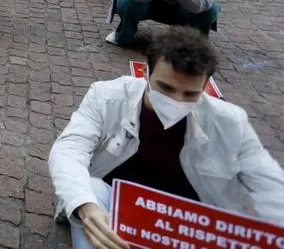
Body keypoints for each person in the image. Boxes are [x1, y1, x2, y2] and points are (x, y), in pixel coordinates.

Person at [49, 26, 284, 249]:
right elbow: (69, 149)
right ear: (144, 72)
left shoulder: (230, 121)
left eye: (190, 94)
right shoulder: (107, 96)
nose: (177, 100)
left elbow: (268, 183)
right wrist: (87, 207)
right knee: (90, 188)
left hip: (184, 223)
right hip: (115, 207)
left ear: (205, 88)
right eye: (166, 88)